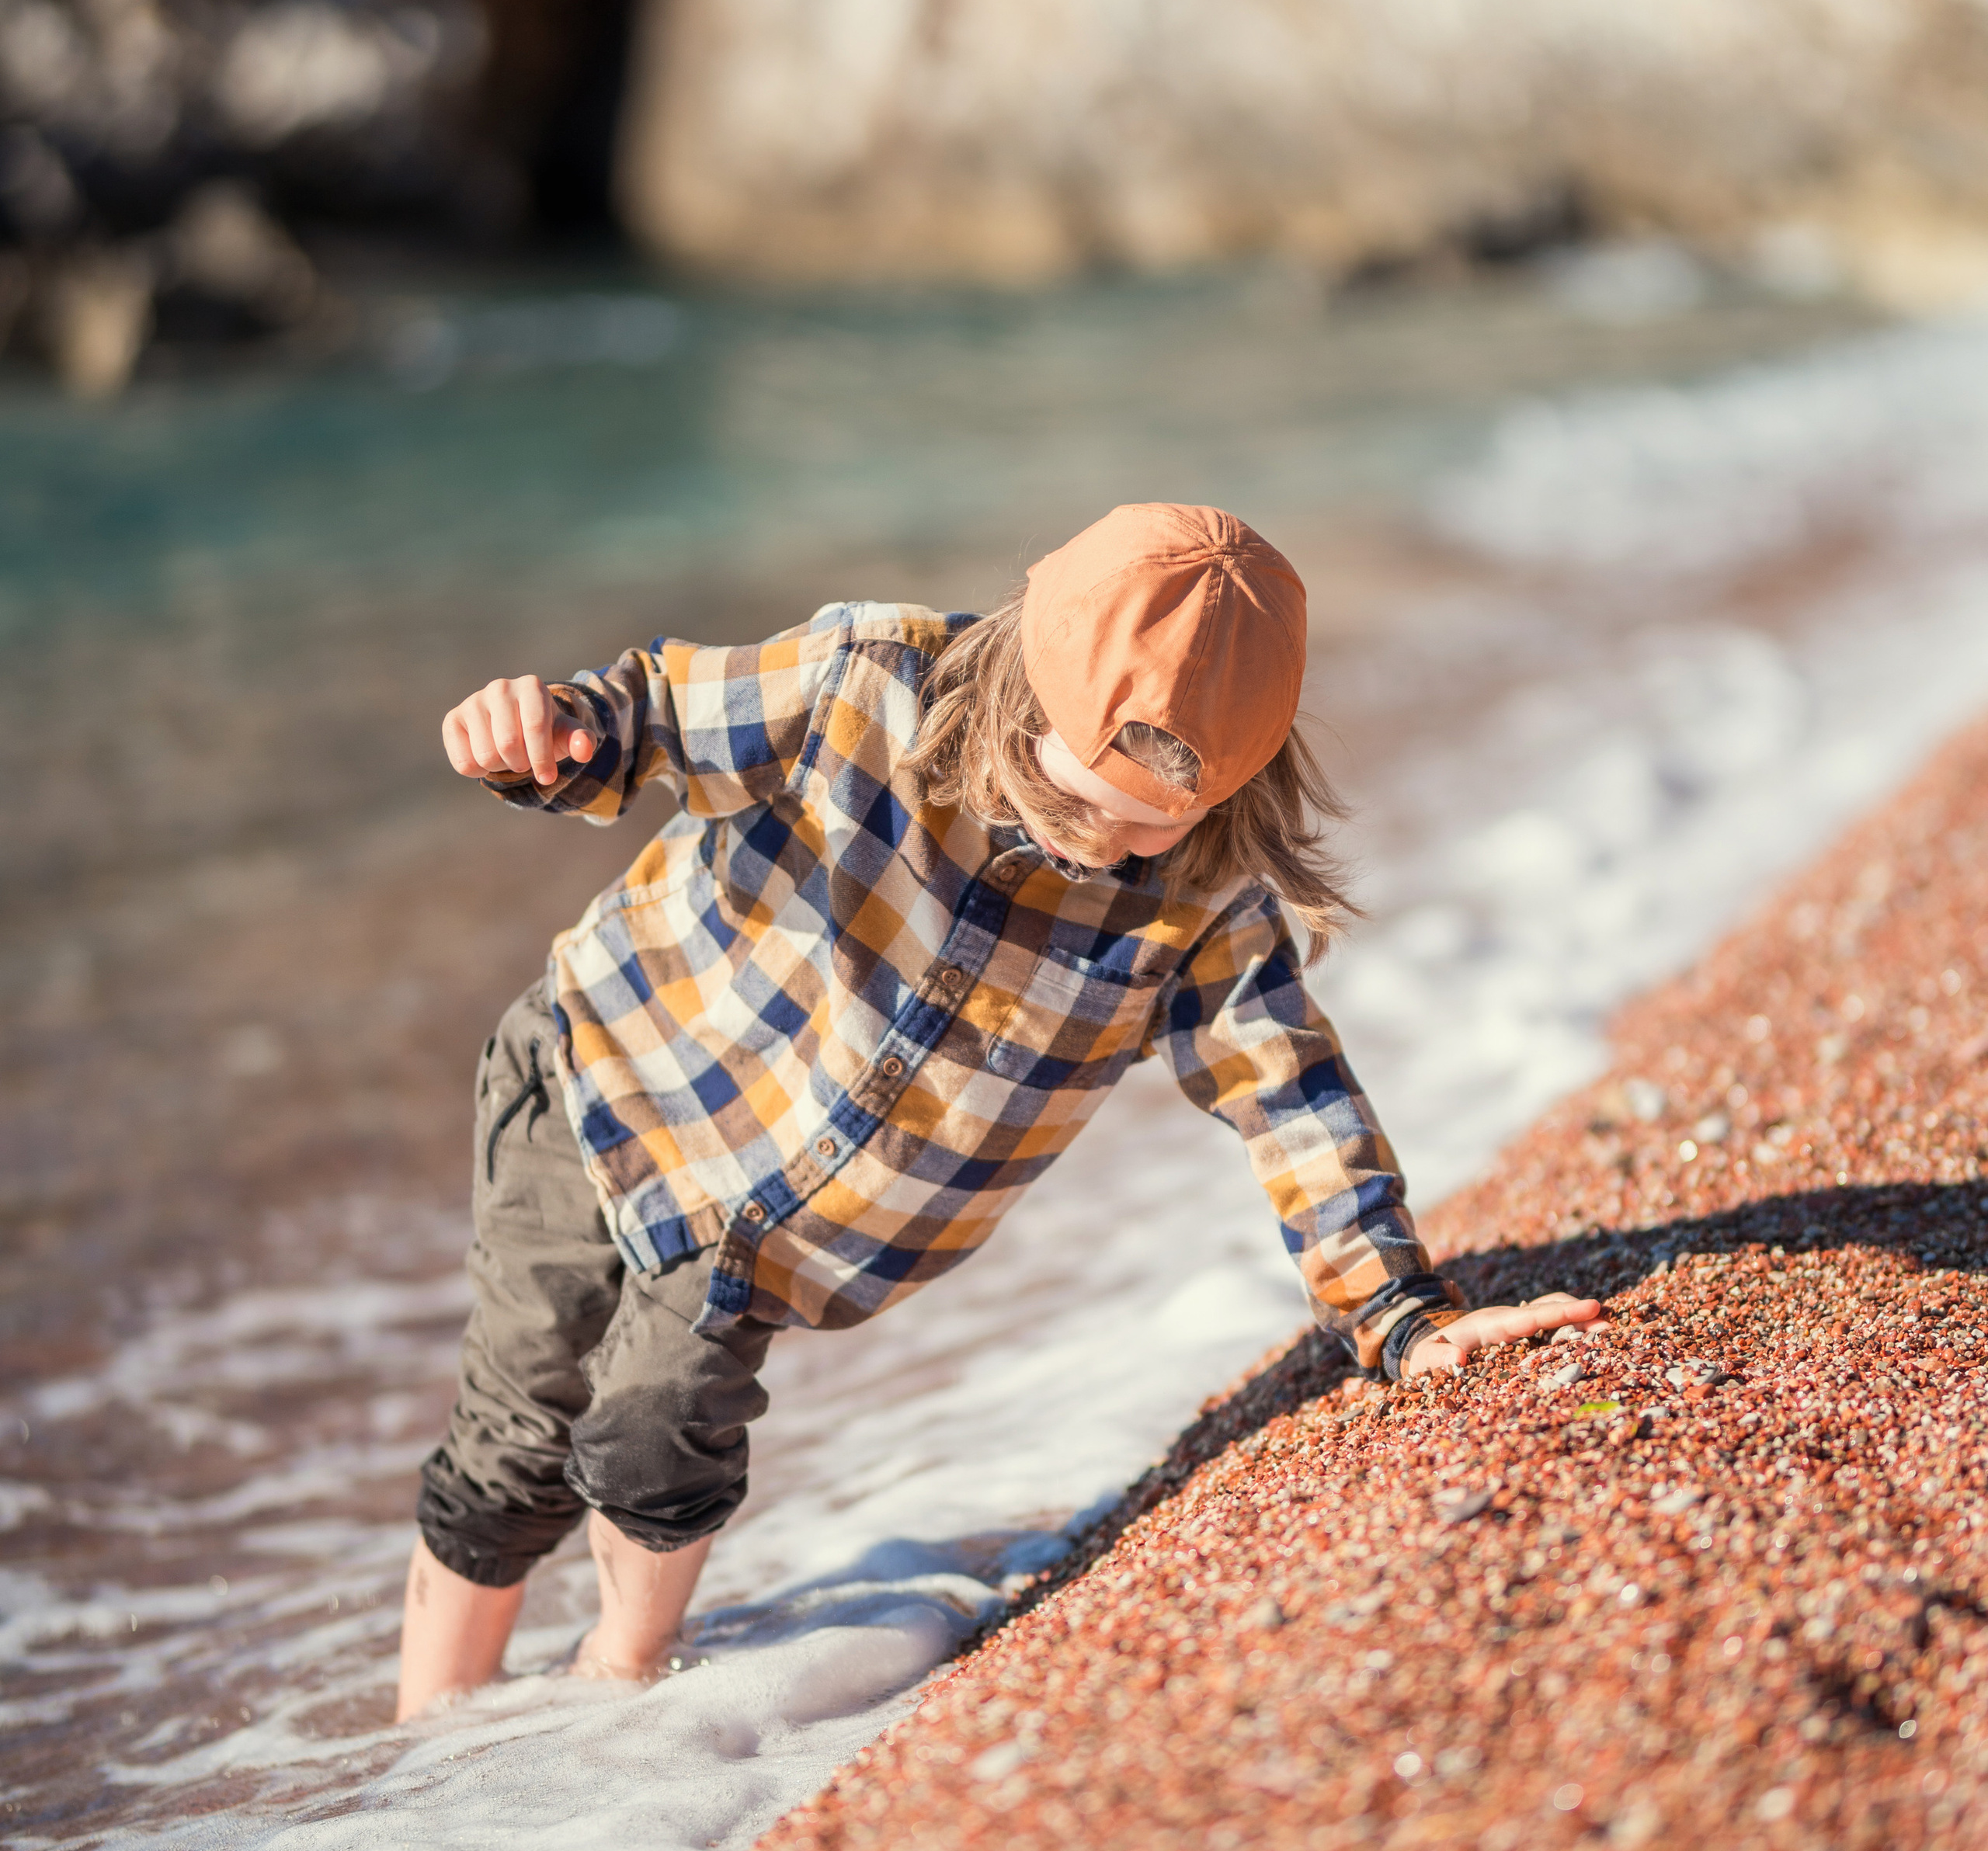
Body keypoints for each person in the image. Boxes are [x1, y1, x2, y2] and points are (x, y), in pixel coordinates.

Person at [397, 504, 1596, 1719]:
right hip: (606, 1062)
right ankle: (426, 1736)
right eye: (1067, 800)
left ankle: (618, 1691)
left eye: (1144, 827)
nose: (1094, 850)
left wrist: (1398, 1313)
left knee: (656, 1429)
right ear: (1019, 690)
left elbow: (1288, 1093)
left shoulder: (1200, 897)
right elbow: (648, 717)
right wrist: (541, 737)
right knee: (515, 1433)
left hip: (768, 1228)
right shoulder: (861, 682)